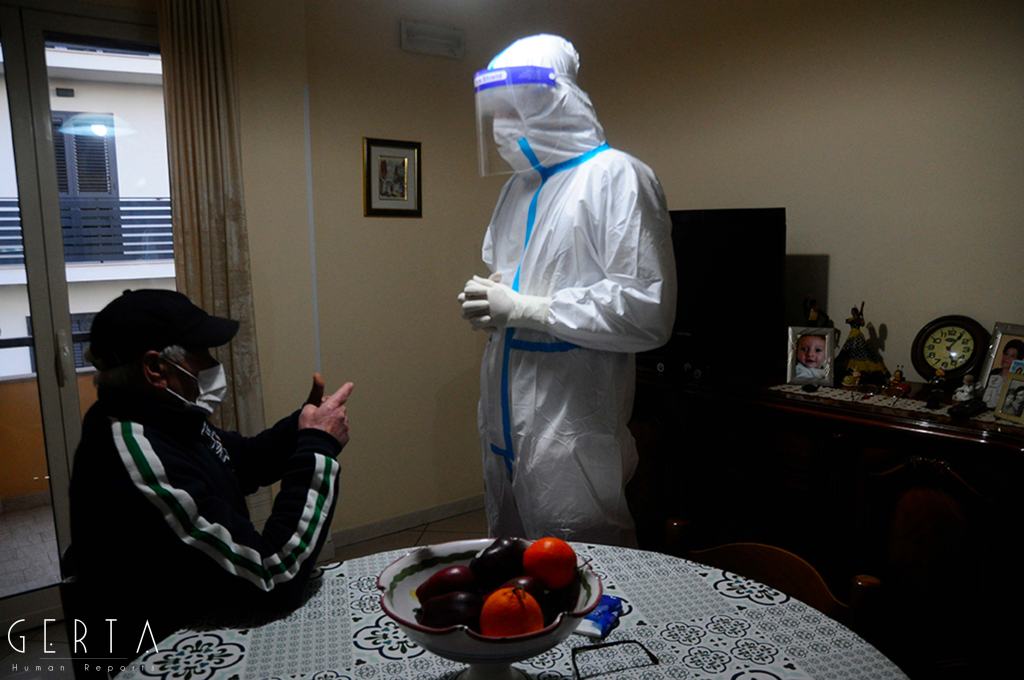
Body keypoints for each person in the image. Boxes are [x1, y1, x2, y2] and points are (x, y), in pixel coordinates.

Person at [457, 34, 676, 546]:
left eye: (514, 108)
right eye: (495, 112)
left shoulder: (616, 177)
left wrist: (526, 308)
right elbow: (513, 283)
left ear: (555, 101)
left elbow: (647, 310)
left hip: (571, 425)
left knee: (583, 559)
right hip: (503, 422)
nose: (501, 126)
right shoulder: (517, 189)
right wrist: (490, 304)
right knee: (510, 560)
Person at [67, 289, 353, 666]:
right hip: (162, 654)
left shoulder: (164, 415)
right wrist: (318, 447)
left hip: (203, 620)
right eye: (201, 352)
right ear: (156, 368)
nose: (213, 364)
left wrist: (304, 424)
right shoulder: (136, 455)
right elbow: (270, 577)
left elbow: (242, 461)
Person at [983, 338, 1024, 407]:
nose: (1006, 358)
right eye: (1006, 354)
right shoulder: (992, 373)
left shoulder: (1018, 380)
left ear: (1018, 361)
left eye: (1012, 356)